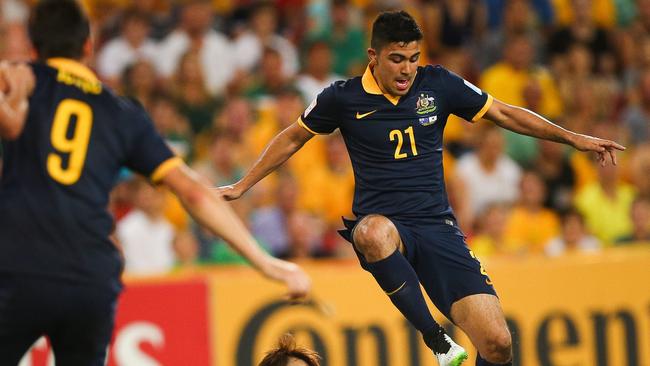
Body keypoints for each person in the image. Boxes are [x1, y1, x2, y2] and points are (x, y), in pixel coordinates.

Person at [218, 10, 624, 366]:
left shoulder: (439, 85)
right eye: (397, 59)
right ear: (373, 56)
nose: (407, 69)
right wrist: (242, 185)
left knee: (498, 344)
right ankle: (436, 339)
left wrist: (574, 138)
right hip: (386, 225)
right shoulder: (343, 97)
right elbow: (292, 137)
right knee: (371, 233)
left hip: (437, 227)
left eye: (413, 59)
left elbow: (503, 112)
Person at [0, 1, 310, 365]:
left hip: (24, 265)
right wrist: (265, 261)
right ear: (89, 45)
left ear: (34, 46)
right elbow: (194, 191)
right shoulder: (120, 112)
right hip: (90, 276)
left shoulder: (19, 83)